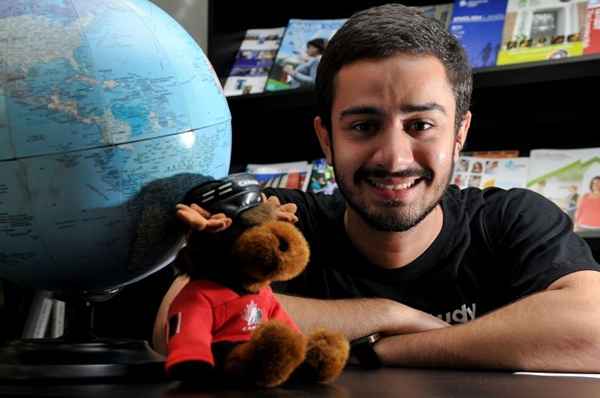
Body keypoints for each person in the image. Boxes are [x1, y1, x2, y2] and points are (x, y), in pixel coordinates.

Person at [160, 4, 600, 371]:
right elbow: (178, 318)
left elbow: (594, 327)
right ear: (326, 139)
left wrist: (389, 346)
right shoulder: (281, 221)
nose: (394, 157)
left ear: (459, 134)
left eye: (421, 125)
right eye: (364, 126)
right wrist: (392, 314)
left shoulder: (512, 219)